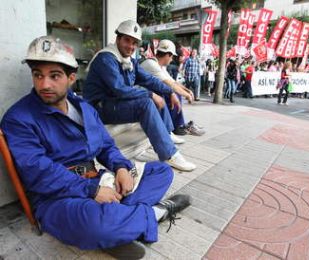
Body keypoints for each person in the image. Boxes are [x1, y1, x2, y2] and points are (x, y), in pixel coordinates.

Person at [0, 36, 192, 258]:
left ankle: (118, 222)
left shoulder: (84, 108)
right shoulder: (19, 118)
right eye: (38, 75)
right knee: (94, 223)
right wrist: (92, 191)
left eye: (54, 76)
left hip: (96, 179)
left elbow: (106, 146)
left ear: (71, 78)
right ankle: (156, 212)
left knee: (162, 171)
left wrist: (120, 168)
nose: (44, 84)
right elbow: (40, 174)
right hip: (57, 198)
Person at [83, 20, 196, 172]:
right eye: (127, 40)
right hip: (98, 108)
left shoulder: (131, 62)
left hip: (114, 103)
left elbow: (150, 80)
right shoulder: (106, 59)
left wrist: (170, 92)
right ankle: (169, 154)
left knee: (155, 97)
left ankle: (166, 136)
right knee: (147, 102)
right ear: (118, 39)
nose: (131, 46)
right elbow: (120, 90)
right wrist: (150, 94)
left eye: (134, 43)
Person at [140, 39, 205, 136]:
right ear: (168, 55)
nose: (172, 59)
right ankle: (174, 128)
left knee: (172, 93)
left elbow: (173, 81)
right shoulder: (152, 64)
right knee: (171, 93)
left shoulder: (159, 65)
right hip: (141, 96)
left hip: (148, 94)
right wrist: (186, 95)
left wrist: (187, 90)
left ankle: (176, 126)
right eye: (172, 57)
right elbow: (170, 84)